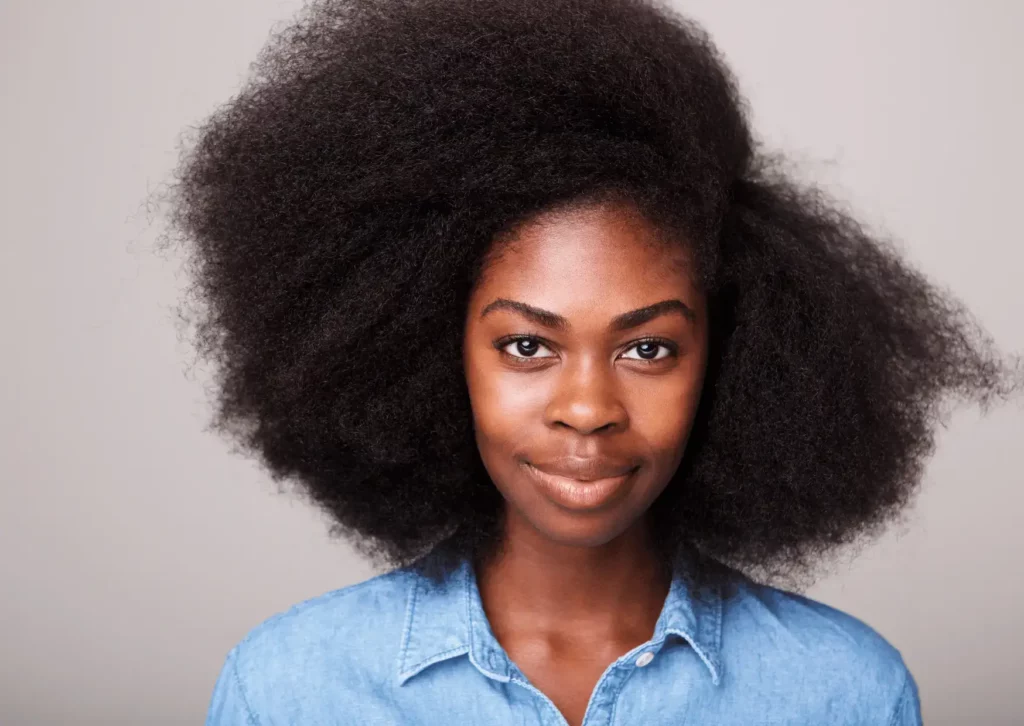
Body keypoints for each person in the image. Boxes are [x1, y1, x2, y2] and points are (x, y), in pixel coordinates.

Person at [161, 0, 1020, 723]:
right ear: (428, 355)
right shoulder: (291, 691)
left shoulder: (845, 695)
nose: (587, 407)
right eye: (527, 345)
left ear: (738, 362)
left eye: (648, 348)